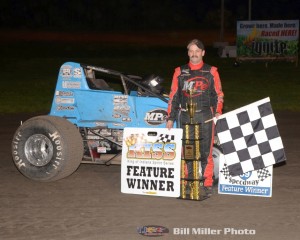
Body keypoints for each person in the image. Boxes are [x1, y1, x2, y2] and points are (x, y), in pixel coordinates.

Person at [166, 39, 224, 197]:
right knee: (188, 152)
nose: (194, 54)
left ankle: (206, 184)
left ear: (203, 53)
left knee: (206, 152)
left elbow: (218, 95)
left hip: (205, 116)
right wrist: (170, 118)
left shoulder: (211, 71)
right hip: (185, 116)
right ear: (188, 53)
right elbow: (173, 96)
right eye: (191, 51)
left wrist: (218, 112)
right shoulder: (179, 71)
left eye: (197, 51)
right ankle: (188, 182)